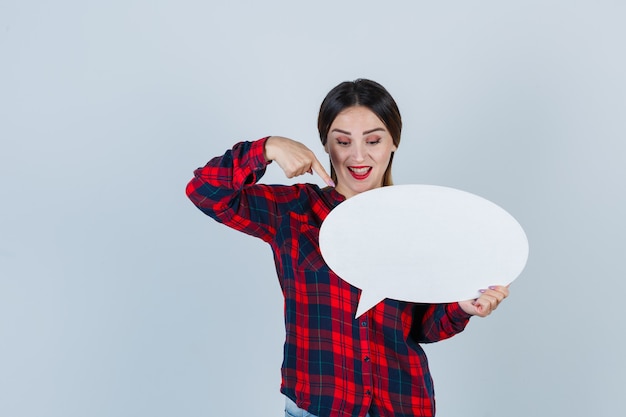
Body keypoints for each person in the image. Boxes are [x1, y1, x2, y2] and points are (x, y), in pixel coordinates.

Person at [186, 79, 509, 417]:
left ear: (393, 142)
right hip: (319, 406)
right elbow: (204, 191)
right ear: (325, 144)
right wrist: (268, 147)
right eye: (343, 141)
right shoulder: (293, 212)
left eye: (373, 140)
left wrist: (463, 307)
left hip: (402, 406)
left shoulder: (418, 222)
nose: (358, 156)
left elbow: (421, 328)